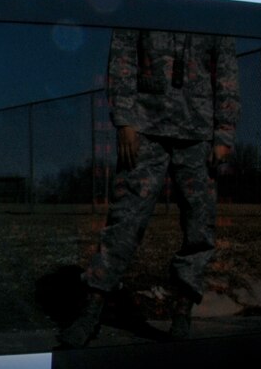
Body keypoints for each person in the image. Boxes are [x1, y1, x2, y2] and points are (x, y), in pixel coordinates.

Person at [60, 28, 237, 346]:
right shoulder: (145, 4)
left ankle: (182, 312)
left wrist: (224, 132)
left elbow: (225, 69)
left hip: (198, 134)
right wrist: (125, 120)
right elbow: (123, 58)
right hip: (146, 128)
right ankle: (91, 312)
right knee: (124, 223)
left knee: (200, 228)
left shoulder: (207, 6)